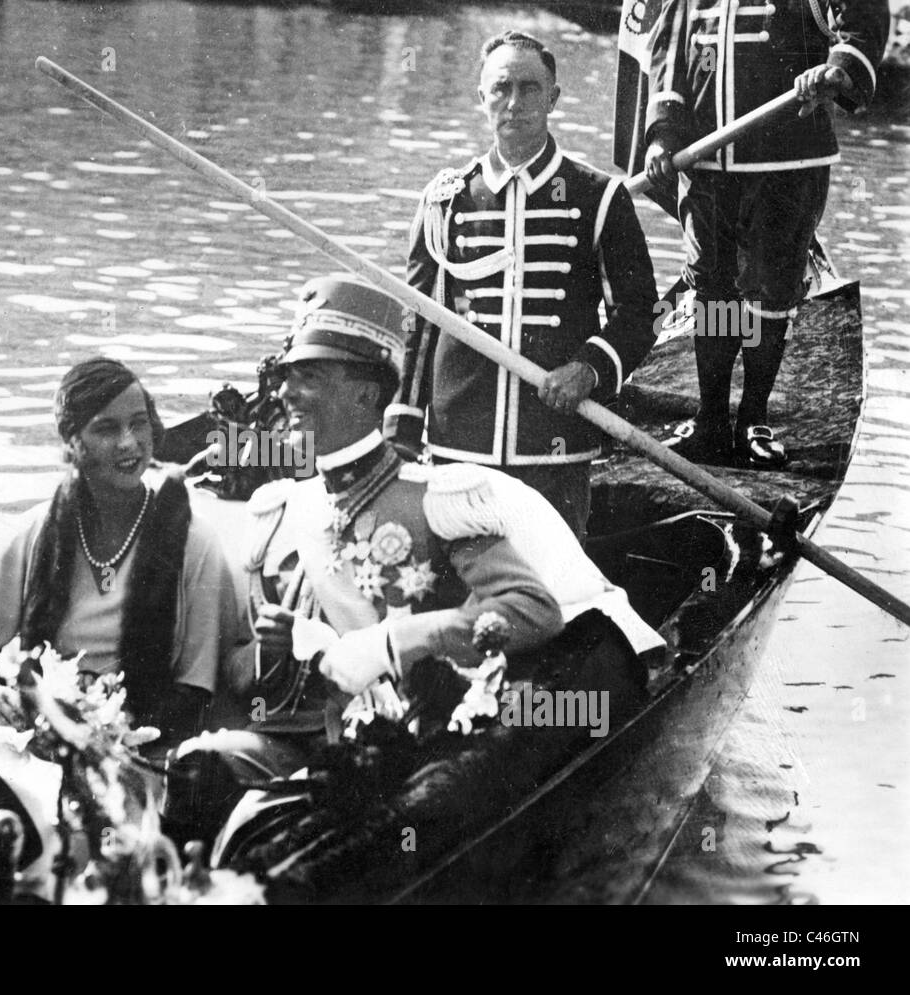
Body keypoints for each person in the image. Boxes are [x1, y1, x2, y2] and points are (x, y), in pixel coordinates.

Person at [171, 276, 666, 833]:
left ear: (365, 394)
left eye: (307, 377)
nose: (285, 394)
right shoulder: (284, 510)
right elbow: (255, 680)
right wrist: (278, 649)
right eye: (287, 376)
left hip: (462, 744)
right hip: (350, 745)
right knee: (196, 774)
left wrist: (388, 643)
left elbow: (533, 608)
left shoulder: (439, 499)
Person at [0, 358, 240, 776]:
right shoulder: (41, 530)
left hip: (139, 752)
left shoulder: (194, 540)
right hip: (37, 736)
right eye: (106, 429)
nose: (129, 444)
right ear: (71, 443)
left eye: (139, 424)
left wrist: (102, 730)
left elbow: (196, 689)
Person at [387, 30, 659, 539]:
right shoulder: (444, 200)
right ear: (482, 96)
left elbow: (640, 313)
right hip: (459, 443)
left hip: (553, 446)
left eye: (531, 89)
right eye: (502, 88)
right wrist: (404, 423)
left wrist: (590, 368)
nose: (515, 103)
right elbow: (419, 321)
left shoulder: (599, 197)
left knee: (554, 596)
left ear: (553, 97)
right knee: (456, 591)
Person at [645, 0, 887, 466]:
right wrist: (662, 133)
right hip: (705, 159)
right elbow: (670, 49)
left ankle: (753, 417)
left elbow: (864, 13)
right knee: (712, 292)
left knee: (769, 296)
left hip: (787, 157)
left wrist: (837, 68)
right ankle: (710, 418)